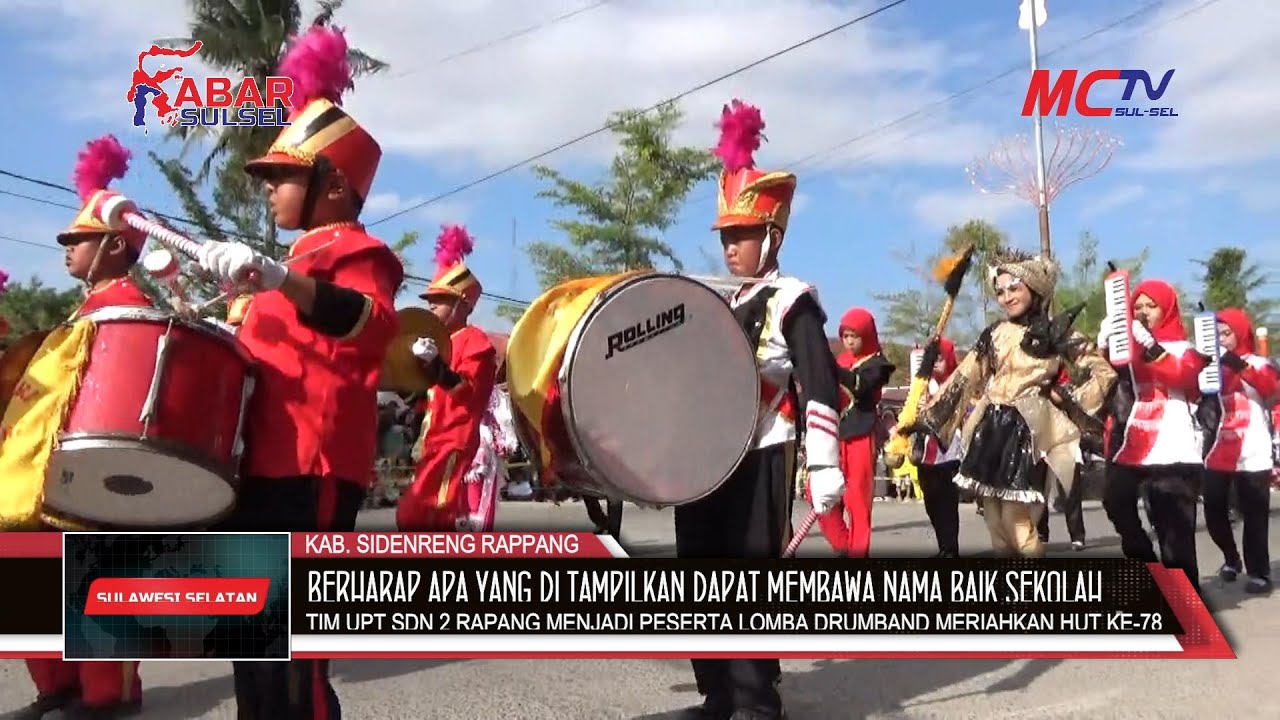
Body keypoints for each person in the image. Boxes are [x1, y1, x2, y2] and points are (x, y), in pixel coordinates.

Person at [191, 27, 404, 719]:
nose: (271, 189)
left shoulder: (360, 253)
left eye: (283, 175)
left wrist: (278, 278)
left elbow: (370, 323)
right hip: (259, 470)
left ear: (333, 185)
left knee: (294, 657)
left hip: (311, 467)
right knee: (252, 643)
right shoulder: (284, 275)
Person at [674, 99, 844, 720]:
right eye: (725, 236)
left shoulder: (793, 298)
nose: (731, 247)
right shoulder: (711, 297)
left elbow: (818, 379)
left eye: (742, 235)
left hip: (764, 446)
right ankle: (718, 690)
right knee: (698, 569)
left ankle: (755, 699)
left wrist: (824, 466)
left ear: (772, 234)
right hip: (706, 455)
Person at [9, 134, 150, 720]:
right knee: (28, 574)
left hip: (93, 467)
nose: (66, 247)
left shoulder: (132, 307)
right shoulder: (83, 310)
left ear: (115, 245)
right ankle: (58, 687)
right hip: (45, 467)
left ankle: (109, 693)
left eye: (79, 239)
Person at [907, 248, 1115, 558]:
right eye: (1000, 291)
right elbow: (965, 377)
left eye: (1014, 288)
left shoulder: (1057, 333)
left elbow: (1105, 374)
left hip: (1026, 430)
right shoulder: (995, 333)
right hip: (989, 429)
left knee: (1016, 522)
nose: (1006, 297)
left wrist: (1067, 397)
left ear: (1034, 288)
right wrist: (929, 416)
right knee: (994, 523)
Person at [1098, 279, 1206, 593]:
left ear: (1167, 308)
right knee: (1115, 502)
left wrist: (1152, 348)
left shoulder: (1187, 350)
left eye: (1151, 306)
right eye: (1138, 307)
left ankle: (1187, 607)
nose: (1144, 312)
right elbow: (1107, 375)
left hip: (1174, 449)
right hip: (1135, 445)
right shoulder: (1130, 347)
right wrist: (1104, 345)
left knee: (1175, 537)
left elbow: (1185, 378)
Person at [397, 224, 499, 531]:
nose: (430, 305)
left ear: (462, 304)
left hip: (454, 442)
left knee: (428, 516)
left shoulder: (475, 342)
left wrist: (435, 365)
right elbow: (418, 394)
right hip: (433, 442)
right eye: (430, 299)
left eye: (439, 299)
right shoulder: (437, 341)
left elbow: (465, 390)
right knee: (416, 517)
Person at [1200, 308, 1277, 594]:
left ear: (1241, 333)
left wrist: (1237, 364)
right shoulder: (1213, 368)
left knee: (1254, 514)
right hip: (1221, 446)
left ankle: (1259, 572)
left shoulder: (1259, 362)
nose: (1221, 339)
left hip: (1254, 449)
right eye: (1216, 334)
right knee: (1213, 508)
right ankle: (1232, 557)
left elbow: (1270, 389)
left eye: (1227, 333)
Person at [819, 307, 894, 557]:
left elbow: (859, 385)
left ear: (867, 335)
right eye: (845, 335)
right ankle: (844, 546)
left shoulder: (878, 364)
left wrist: (828, 365)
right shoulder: (839, 361)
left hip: (861, 435)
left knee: (858, 501)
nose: (849, 341)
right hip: (835, 435)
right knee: (819, 493)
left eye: (855, 335)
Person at [910, 338, 964, 557]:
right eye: (933, 360)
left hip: (949, 451)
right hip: (925, 453)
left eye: (940, 359)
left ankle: (951, 548)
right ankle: (943, 545)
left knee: (947, 504)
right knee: (931, 503)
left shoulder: (958, 381)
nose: (936, 364)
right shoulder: (922, 385)